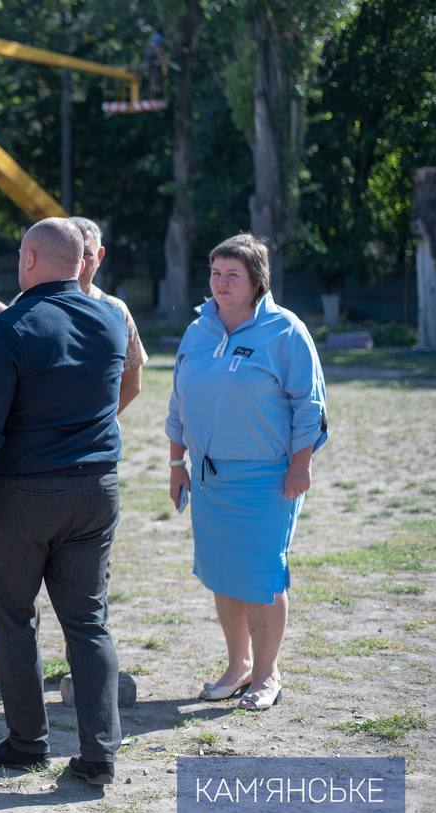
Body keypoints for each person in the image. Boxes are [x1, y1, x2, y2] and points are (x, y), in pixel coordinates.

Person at [0, 217, 127, 787]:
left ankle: (27, 743)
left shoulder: (10, 328)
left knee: (14, 619)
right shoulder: (111, 320)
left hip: (25, 493)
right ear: (82, 260)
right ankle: (100, 753)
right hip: (96, 488)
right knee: (89, 624)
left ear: (27, 260)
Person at [165, 233, 328, 711]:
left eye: (232, 275)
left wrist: (302, 463)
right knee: (222, 575)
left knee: (261, 576)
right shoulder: (198, 329)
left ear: (257, 281)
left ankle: (266, 674)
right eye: (215, 273)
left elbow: (310, 404)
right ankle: (237, 667)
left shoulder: (285, 330)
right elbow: (179, 400)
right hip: (210, 477)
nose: (220, 283)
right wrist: (177, 462)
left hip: (268, 478)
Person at [0, 217, 146, 415]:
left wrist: (95, 421)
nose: (78, 262)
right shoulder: (23, 301)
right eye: (69, 253)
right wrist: (6, 317)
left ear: (100, 256)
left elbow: (132, 382)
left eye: (86, 254)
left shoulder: (116, 310)